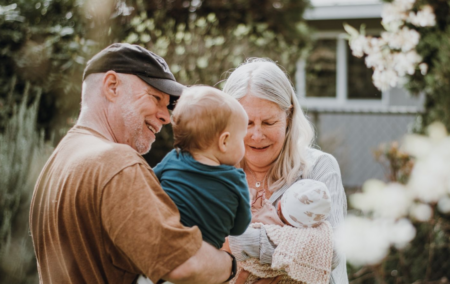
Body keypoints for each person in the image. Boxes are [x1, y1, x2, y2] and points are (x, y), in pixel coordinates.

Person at [29, 43, 237, 284]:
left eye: (168, 104)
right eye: (155, 97)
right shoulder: (118, 162)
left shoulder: (56, 165)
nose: (166, 117)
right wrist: (231, 264)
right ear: (112, 86)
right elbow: (183, 264)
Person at [223, 58, 349, 284]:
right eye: (247, 123)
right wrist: (293, 245)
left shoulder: (318, 167)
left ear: (288, 118)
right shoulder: (213, 174)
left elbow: (331, 253)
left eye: (269, 122)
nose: (257, 135)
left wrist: (237, 242)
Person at [153, 86, 251, 249]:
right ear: (224, 141)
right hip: (206, 262)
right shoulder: (235, 180)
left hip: (164, 249)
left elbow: (148, 185)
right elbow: (239, 228)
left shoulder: (172, 160)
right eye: (242, 138)